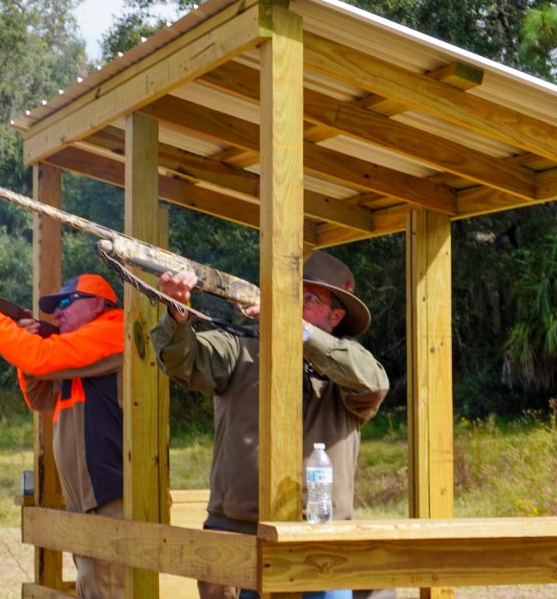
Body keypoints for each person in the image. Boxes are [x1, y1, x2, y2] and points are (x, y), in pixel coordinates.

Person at [151, 251, 391, 599]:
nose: (293, 305)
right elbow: (182, 361)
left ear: (335, 316)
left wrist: (305, 336)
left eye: (307, 299)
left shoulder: (347, 365)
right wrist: (177, 311)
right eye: (289, 294)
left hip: (320, 539)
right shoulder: (241, 345)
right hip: (237, 534)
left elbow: (374, 384)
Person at [0, 274, 125, 599]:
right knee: (95, 587)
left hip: (111, 497)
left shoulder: (114, 330)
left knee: (108, 590)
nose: (57, 314)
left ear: (97, 305)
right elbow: (39, 397)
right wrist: (25, 344)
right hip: (89, 500)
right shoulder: (78, 354)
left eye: (66, 303)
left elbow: (40, 357)